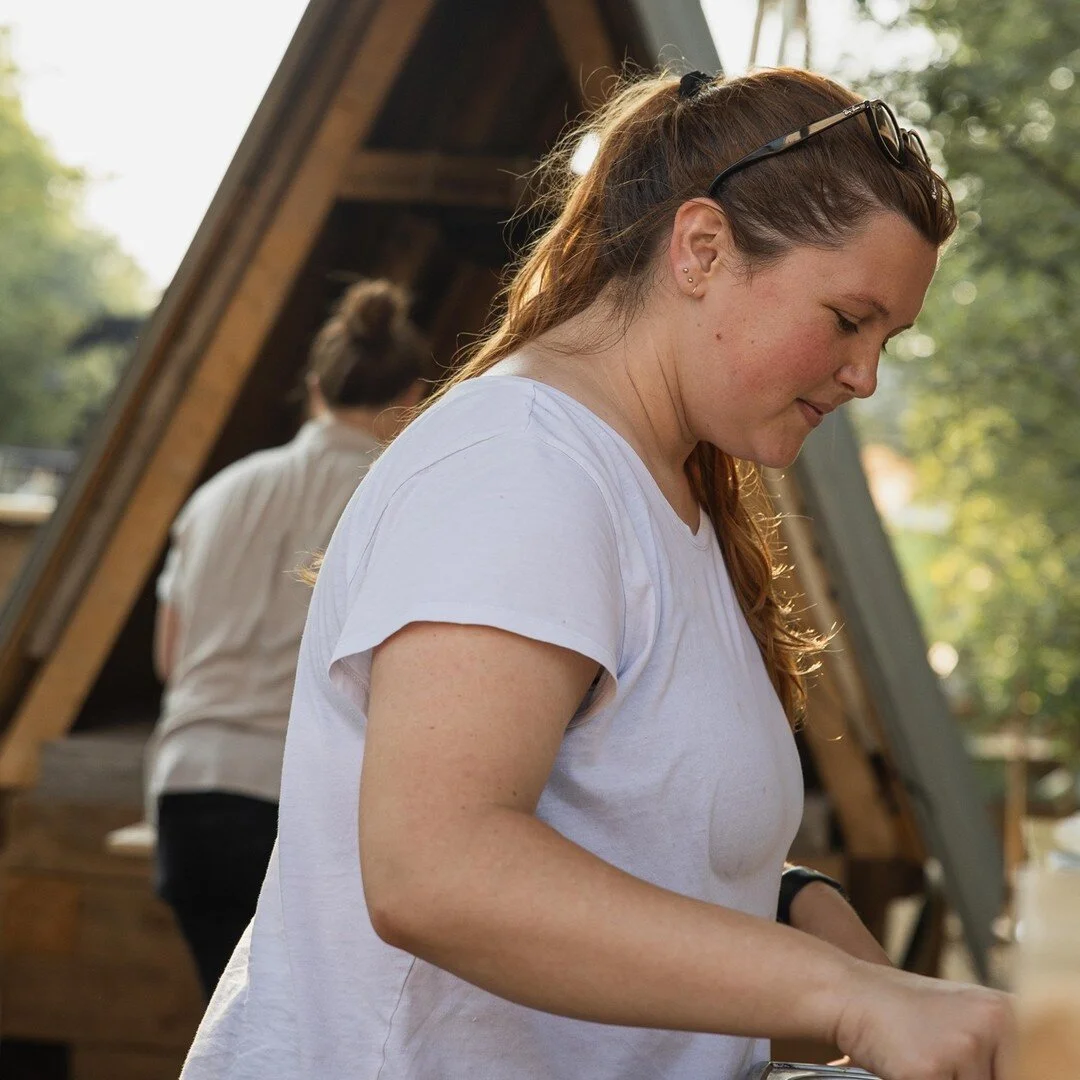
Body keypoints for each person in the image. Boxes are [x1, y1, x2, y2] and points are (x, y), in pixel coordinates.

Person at [179, 68, 1014, 1079]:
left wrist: (837, 941)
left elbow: (652, 840)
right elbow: (434, 870)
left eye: (887, 338)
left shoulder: (665, 482)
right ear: (701, 249)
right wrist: (844, 998)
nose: (865, 375)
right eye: (847, 318)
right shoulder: (520, 461)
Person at [147, 279, 430, 997]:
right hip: (300, 802)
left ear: (314, 388)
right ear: (414, 398)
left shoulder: (219, 492)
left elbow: (170, 658)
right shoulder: (399, 493)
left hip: (186, 790)